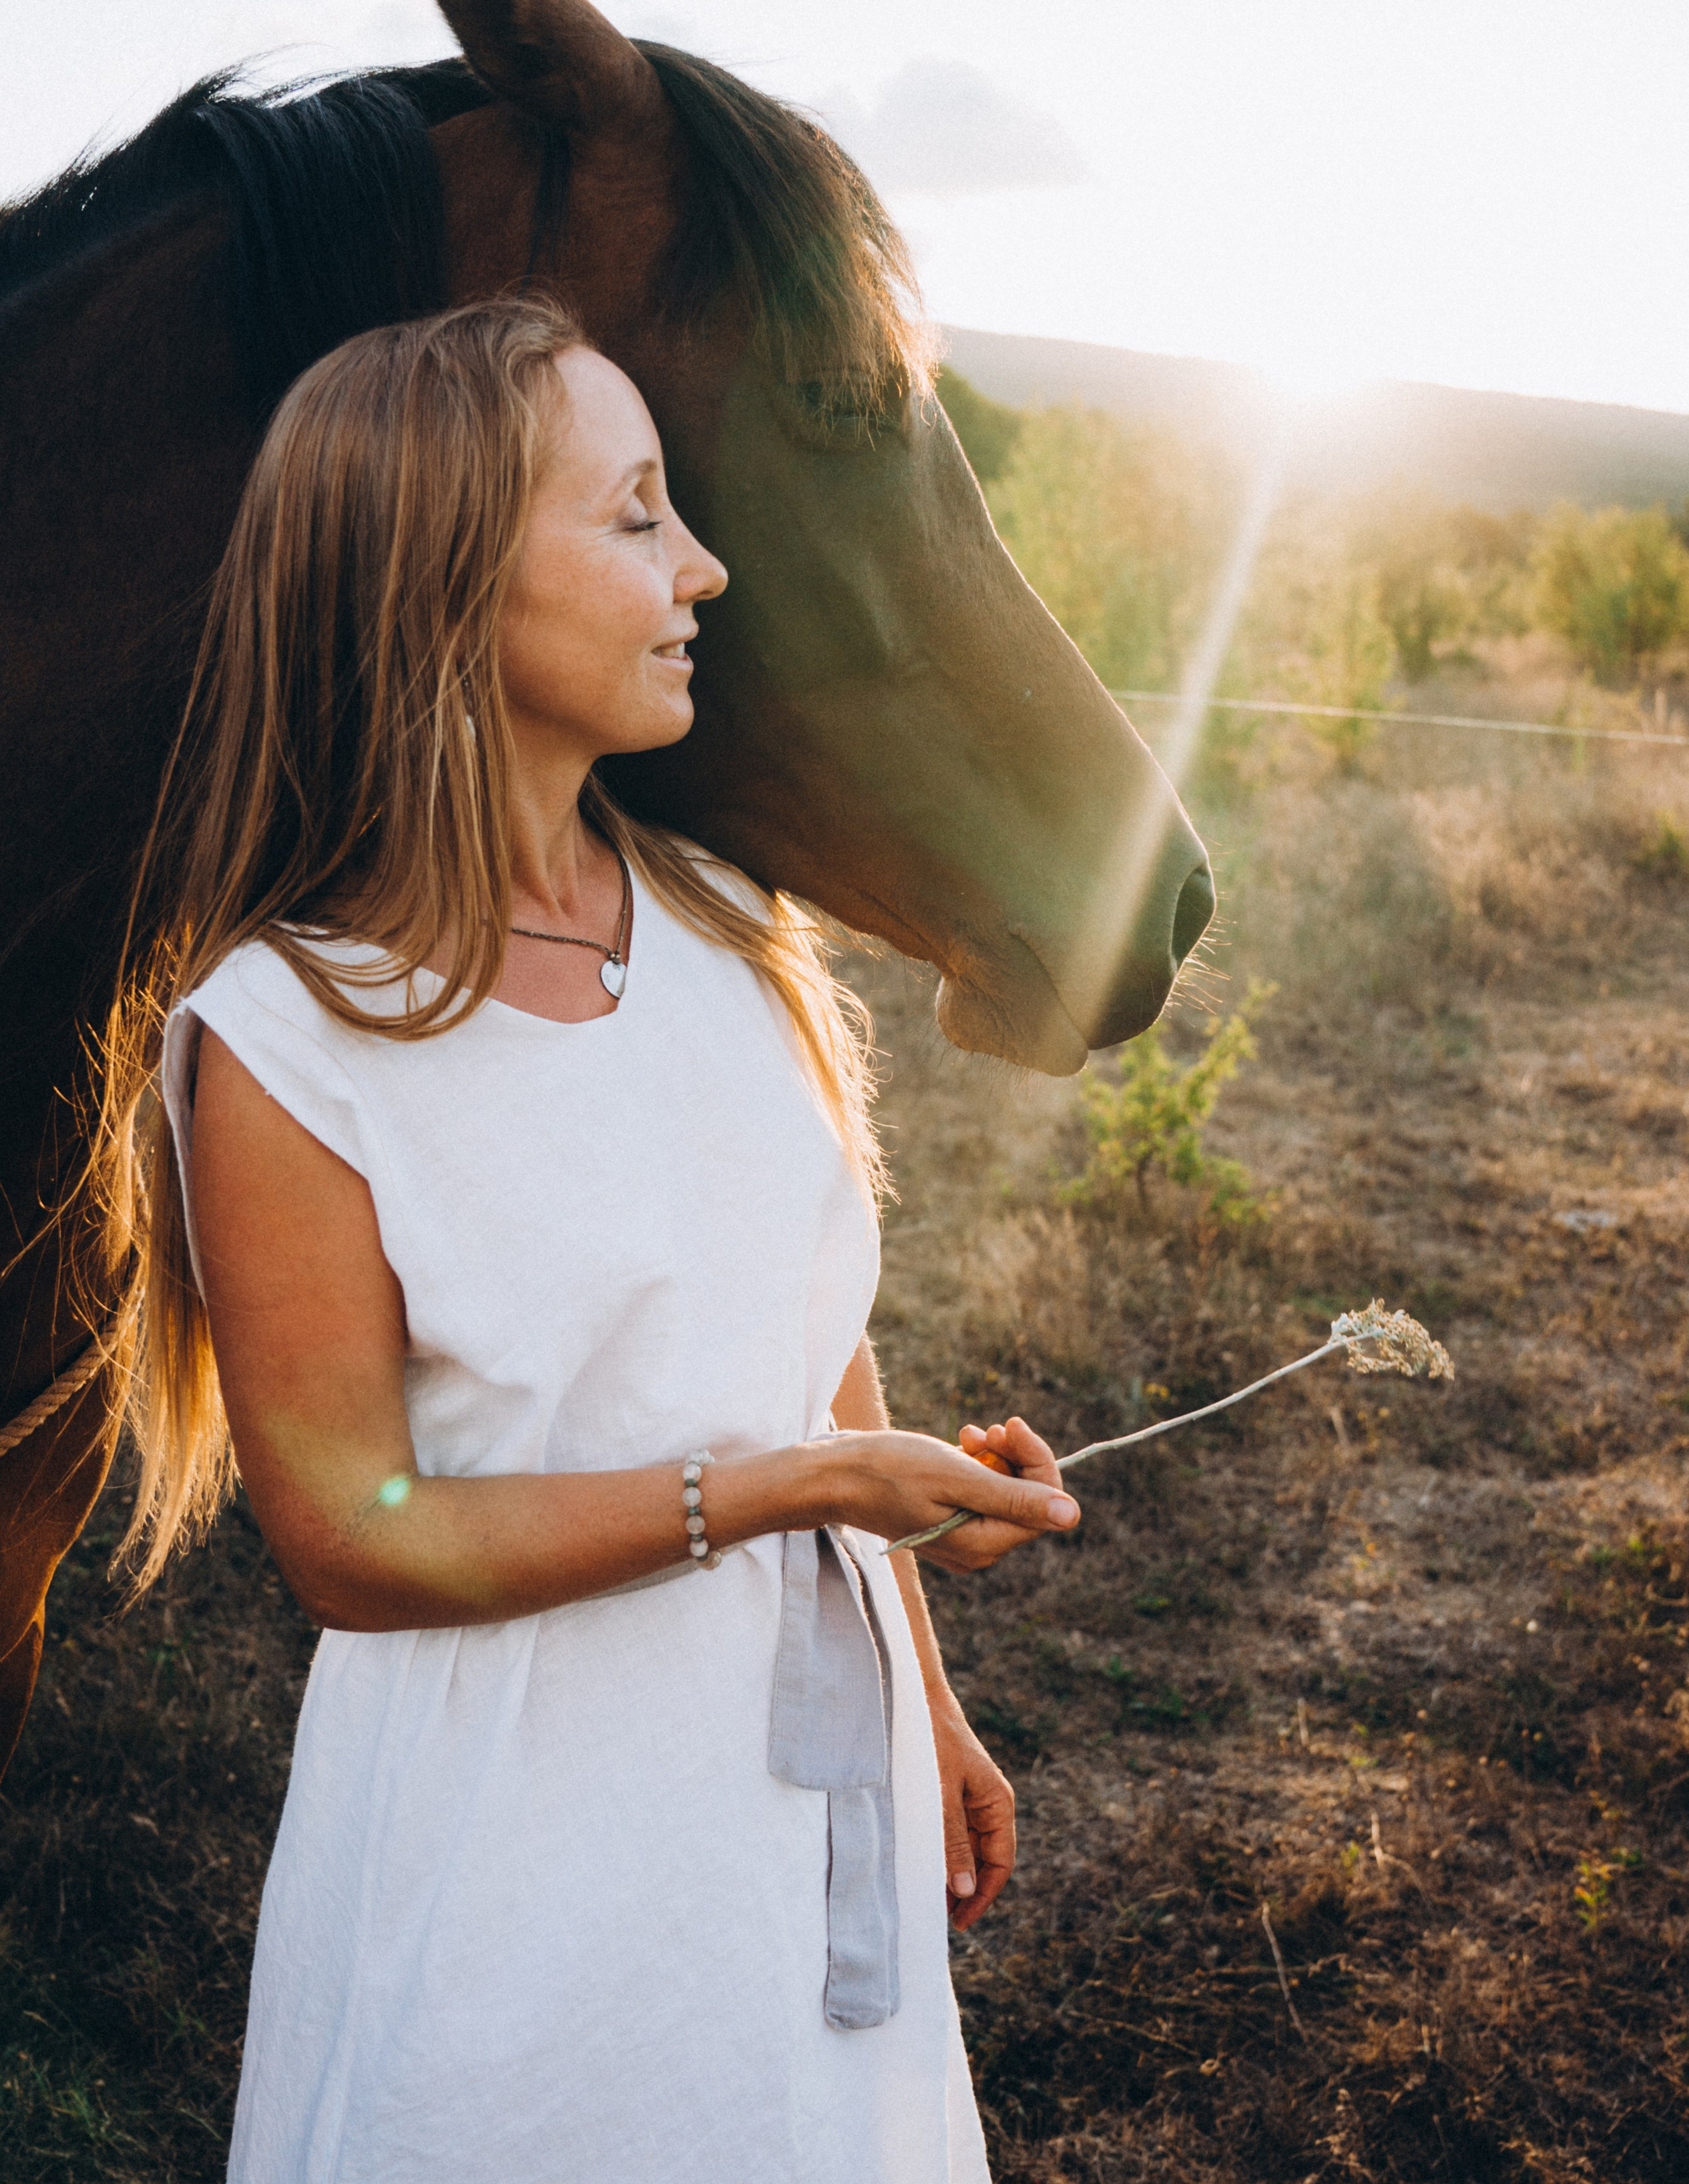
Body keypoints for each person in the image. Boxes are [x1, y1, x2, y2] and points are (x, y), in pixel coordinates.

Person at [89, 296, 1081, 2183]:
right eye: (636, 517)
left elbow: (800, 1327)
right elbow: (357, 1542)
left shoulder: (723, 926)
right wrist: (794, 1485)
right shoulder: (292, 1036)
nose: (702, 565)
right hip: (522, 1878)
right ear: (449, 586)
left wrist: (919, 1666)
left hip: (804, 1801)